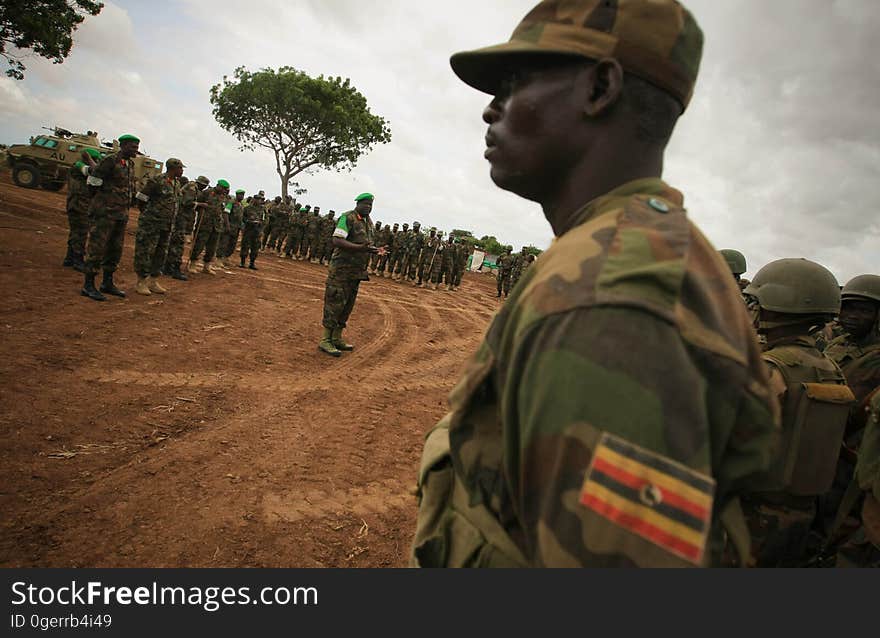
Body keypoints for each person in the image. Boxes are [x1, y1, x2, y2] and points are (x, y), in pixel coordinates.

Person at [411, 0, 778, 568]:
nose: (491, 109)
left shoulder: (605, 299)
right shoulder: (637, 249)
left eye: (514, 82)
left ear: (600, 87)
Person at [740, 259, 853, 567]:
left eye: (757, 301)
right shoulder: (831, 368)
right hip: (801, 511)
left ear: (777, 304)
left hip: (752, 512)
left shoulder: (770, 368)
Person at [80, 134, 140, 302]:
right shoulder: (110, 160)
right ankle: (88, 285)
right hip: (105, 213)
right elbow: (93, 180)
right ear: (123, 145)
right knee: (96, 248)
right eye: (133, 147)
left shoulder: (130, 164)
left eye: (137, 147)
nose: (136, 150)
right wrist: (99, 203)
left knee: (115, 249)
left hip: (121, 215)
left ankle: (107, 282)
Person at [318, 193, 377, 357]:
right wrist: (360, 248)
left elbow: (364, 244)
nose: (368, 207)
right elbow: (337, 240)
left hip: (356, 272)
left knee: (347, 305)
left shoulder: (368, 222)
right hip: (341, 270)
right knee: (334, 303)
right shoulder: (347, 218)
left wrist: (374, 250)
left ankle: (336, 338)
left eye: (370, 205)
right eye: (365, 204)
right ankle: (325, 340)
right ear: (357, 204)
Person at [132, 158, 185, 295]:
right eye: (180, 168)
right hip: (152, 223)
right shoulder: (157, 180)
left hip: (166, 225)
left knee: (161, 253)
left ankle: (153, 280)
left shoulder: (176, 183)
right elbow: (141, 197)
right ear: (173, 168)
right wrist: (149, 214)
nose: (182, 171)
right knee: (146, 251)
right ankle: (141, 281)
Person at [64, 148, 102, 272]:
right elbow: (94, 170)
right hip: (78, 204)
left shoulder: (80, 166)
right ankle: (78, 260)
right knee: (80, 233)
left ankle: (69, 258)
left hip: (81, 204)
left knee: (76, 232)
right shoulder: (79, 166)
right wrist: (90, 160)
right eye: (96, 159)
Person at [164, 174, 208, 281]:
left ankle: (168, 267)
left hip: (183, 219)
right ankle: (175, 268)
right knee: (178, 243)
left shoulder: (194, 189)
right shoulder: (192, 188)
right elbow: (187, 202)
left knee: (175, 242)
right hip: (181, 218)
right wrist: (200, 204)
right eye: (204, 186)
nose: (205, 188)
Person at [189, 179, 231, 274]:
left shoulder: (224, 197)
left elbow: (223, 210)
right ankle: (192, 264)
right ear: (218, 186)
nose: (224, 191)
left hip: (216, 225)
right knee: (199, 245)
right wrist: (201, 205)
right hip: (204, 223)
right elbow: (195, 204)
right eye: (223, 188)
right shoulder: (207, 193)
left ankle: (206, 266)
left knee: (212, 247)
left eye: (226, 189)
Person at [240, 192, 267, 269]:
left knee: (255, 247)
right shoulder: (247, 208)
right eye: (257, 199)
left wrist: (261, 225)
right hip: (248, 229)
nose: (259, 201)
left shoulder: (263, 209)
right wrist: (248, 221)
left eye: (260, 199)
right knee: (245, 245)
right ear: (254, 200)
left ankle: (252, 263)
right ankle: (242, 262)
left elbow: (265, 219)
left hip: (257, 230)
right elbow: (243, 218)